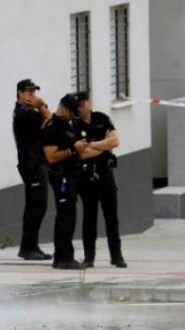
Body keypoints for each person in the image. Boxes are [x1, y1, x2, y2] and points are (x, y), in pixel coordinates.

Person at [73, 92, 127, 268]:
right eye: (78, 106)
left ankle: (116, 255)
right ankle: (89, 257)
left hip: (105, 174)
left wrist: (92, 144)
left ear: (89, 103)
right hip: (86, 176)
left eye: (83, 104)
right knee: (89, 217)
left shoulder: (102, 118)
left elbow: (115, 141)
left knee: (111, 217)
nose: (81, 108)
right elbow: (83, 153)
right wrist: (103, 145)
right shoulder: (75, 125)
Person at [41, 93, 88, 269]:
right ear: (65, 108)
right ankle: (62, 257)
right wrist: (72, 150)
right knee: (65, 216)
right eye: (72, 111)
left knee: (70, 215)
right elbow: (51, 157)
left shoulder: (69, 124)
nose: (73, 115)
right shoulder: (52, 127)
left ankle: (65, 255)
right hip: (61, 177)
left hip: (72, 176)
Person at [12, 79, 53, 261]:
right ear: (19, 93)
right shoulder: (26, 114)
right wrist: (43, 105)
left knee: (34, 205)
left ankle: (29, 246)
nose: (32, 96)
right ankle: (29, 247)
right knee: (38, 205)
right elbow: (52, 124)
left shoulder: (28, 113)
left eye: (34, 92)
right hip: (32, 165)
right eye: (28, 92)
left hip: (35, 163)